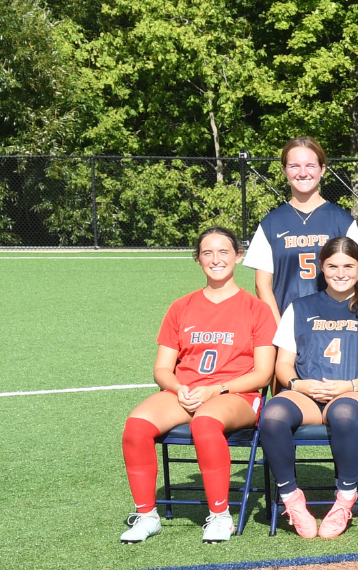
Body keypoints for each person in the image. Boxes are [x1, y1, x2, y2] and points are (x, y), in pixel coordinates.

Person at [119, 228, 278, 544]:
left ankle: (220, 517)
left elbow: (263, 374)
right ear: (197, 259)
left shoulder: (256, 308)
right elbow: (162, 368)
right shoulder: (181, 307)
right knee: (135, 428)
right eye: (208, 253)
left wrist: (215, 390)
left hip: (236, 394)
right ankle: (147, 516)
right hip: (187, 391)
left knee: (205, 424)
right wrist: (178, 388)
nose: (216, 259)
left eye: (223, 252)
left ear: (238, 256)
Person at [259, 236, 358, 539]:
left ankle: (345, 497)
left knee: (344, 413)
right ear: (321, 267)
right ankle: (292, 498)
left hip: (356, 393)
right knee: (271, 415)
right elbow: (283, 365)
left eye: (348, 265)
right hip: (307, 394)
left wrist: (348, 385)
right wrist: (299, 384)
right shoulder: (300, 307)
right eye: (332, 265)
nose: (340, 272)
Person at [245, 138, 358, 323]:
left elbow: (356, 277)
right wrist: (280, 329)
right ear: (284, 170)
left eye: (310, 165)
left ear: (322, 169)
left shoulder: (343, 220)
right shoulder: (270, 223)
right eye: (294, 166)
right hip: (286, 324)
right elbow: (262, 285)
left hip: (334, 323)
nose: (303, 173)